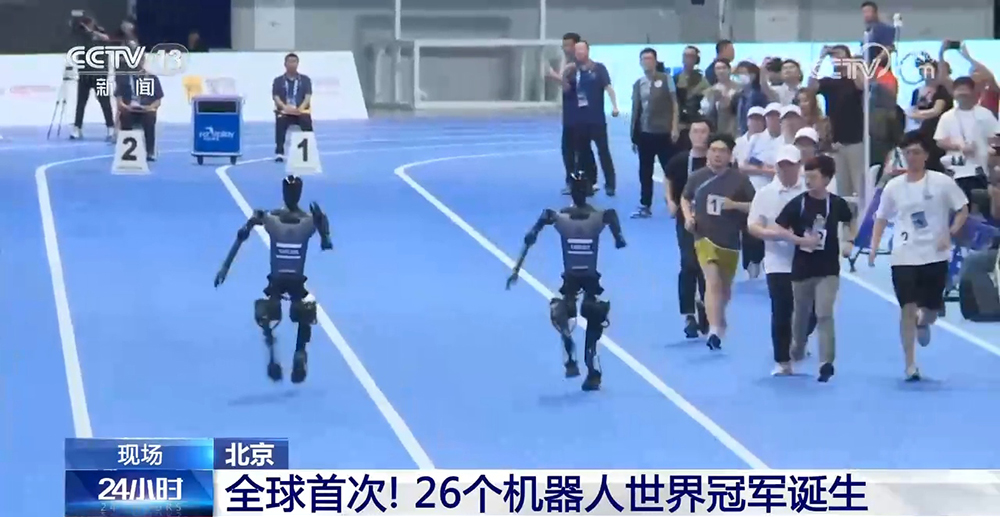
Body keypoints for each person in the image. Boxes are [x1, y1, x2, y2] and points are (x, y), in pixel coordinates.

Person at [506, 171, 627, 391]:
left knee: (564, 309)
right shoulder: (598, 216)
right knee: (592, 313)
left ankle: (570, 353)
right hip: (588, 276)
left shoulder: (559, 217)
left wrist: (517, 269)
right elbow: (613, 219)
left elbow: (530, 237)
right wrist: (618, 237)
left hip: (571, 275)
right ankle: (592, 368)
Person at [213, 176, 334, 384]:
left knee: (267, 311)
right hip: (296, 279)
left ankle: (273, 347)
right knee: (304, 311)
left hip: (277, 279)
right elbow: (326, 242)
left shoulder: (271, 219)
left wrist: (225, 267)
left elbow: (243, 234)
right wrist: (323, 228)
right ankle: (299, 351)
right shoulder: (309, 221)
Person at [869, 132, 969, 381]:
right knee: (907, 308)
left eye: (916, 152)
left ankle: (924, 322)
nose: (911, 157)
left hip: (935, 254)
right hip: (904, 254)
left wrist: (950, 232)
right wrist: (873, 247)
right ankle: (910, 364)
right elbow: (881, 218)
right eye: (907, 153)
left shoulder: (941, 182)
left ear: (925, 155)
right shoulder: (894, 186)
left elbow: (962, 209)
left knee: (931, 309)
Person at [773, 155, 855, 382]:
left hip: (828, 269)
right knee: (801, 316)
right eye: (806, 177)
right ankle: (798, 346)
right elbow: (779, 227)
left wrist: (849, 240)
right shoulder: (798, 203)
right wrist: (799, 240)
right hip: (802, 268)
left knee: (824, 313)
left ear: (827, 179)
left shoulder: (836, 204)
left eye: (813, 177)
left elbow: (850, 220)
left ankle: (826, 362)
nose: (808, 181)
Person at [747, 145, 818, 375]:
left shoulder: (810, 192)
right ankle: (782, 360)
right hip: (778, 261)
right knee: (781, 310)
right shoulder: (765, 194)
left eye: (790, 165)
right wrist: (772, 234)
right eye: (781, 166)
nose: (786, 170)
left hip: (808, 260)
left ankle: (799, 338)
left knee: (813, 311)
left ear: (799, 166)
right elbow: (753, 225)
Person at [681, 134, 755, 350]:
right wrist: (688, 217)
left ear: (730, 155)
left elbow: (756, 206)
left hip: (730, 240)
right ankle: (713, 330)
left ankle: (713, 312)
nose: (717, 155)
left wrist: (735, 205)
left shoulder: (740, 180)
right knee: (712, 281)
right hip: (703, 237)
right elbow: (685, 197)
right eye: (713, 150)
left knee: (724, 290)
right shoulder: (697, 177)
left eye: (722, 151)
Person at [664, 118, 712, 337]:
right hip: (685, 218)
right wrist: (670, 201)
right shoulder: (681, 160)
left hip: (711, 221)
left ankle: (705, 305)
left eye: (704, 132)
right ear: (690, 135)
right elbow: (668, 177)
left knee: (707, 265)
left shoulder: (715, 161)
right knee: (688, 263)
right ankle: (688, 314)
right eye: (696, 131)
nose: (699, 136)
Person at [809, 45, 866, 205]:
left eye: (840, 56)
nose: (837, 59)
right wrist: (820, 58)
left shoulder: (854, 81)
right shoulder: (829, 83)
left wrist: (851, 63)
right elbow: (811, 86)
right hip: (836, 143)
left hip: (855, 141)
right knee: (843, 190)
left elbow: (863, 85)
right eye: (834, 57)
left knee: (860, 188)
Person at [565, 41, 620, 196]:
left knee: (603, 151)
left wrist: (615, 106)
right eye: (577, 50)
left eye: (582, 49)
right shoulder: (573, 70)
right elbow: (566, 89)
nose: (579, 53)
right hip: (579, 120)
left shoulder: (598, 68)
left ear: (588, 51)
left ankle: (610, 184)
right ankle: (587, 183)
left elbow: (608, 88)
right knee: (582, 153)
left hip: (596, 119)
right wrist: (563, 74)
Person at [631, 47, 680, 219]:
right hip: (645, 133)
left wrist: (675, 127)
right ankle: (645, 204)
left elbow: (675, 103)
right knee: (645, 171)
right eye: (644, 59)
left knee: (670, 168)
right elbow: (636, 110)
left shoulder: (666, 79)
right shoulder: (639, 84)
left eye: (650, 59)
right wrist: (633, 136)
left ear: (655, 61)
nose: (647, 62)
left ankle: (676, 201)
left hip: (664, 132)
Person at [934, 76, 1000, 202]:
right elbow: (939, 141)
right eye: (959, 91)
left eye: (965, 90)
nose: (962, 94)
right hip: (956, 170)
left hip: (981, 169)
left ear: (973, 92)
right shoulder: (947, 116)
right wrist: (958, 146)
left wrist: (993, 157)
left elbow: (995, 139)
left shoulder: (985, 114)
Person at [549, 32, 595, 195]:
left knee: (581, 150)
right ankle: (574, 180)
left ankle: (586, 181)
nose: (565, 48)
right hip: (569, 114)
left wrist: (554, 76)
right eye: (564, 45)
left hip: (580, 115)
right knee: (568, 149)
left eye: (568, 45)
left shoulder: (578, 66)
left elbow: (569, 87)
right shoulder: (567, 63)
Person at [70, 15, 116, 141]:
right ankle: (77, 128)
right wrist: (82, 29)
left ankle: (110, 127)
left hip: (99, 75)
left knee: (104, 102)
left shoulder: (100, 32)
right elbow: (73, 34)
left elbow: (107, 39)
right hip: (85, 75)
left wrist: (92, 32)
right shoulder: (81, 35)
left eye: (88, 23)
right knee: (81, 103)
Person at [114, 59, 163, 161]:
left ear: (143, 61)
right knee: (125, 116)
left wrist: (149, 108)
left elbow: (158, 101)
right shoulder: (123, 79)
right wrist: (126, 107)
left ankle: (150, 151)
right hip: (129, 110)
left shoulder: (152, 78)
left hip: (146, 110)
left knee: (150, 117)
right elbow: (119, 102)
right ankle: (126, 150)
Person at [272, 53, 314, 162]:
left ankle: (308, 150)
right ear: (285, 64)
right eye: (290, 62)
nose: (292, 64)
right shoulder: (278, 80)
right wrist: (285, 107)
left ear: (298, 64)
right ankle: (279, 152)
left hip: (300, 111)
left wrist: (300, 109)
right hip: (284, 111)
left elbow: (308, 96)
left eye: (294, 62)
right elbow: (276, 97)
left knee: (306, 120)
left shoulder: (305, 80)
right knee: (280, 120)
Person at [674, 46, 710, 150]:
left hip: (696, 124)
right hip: (679, 125)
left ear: (696, 59)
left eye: (691, 56)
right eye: (686, 56)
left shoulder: (702, 80)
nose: (688, 59)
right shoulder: (675, 79)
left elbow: (707, 100)